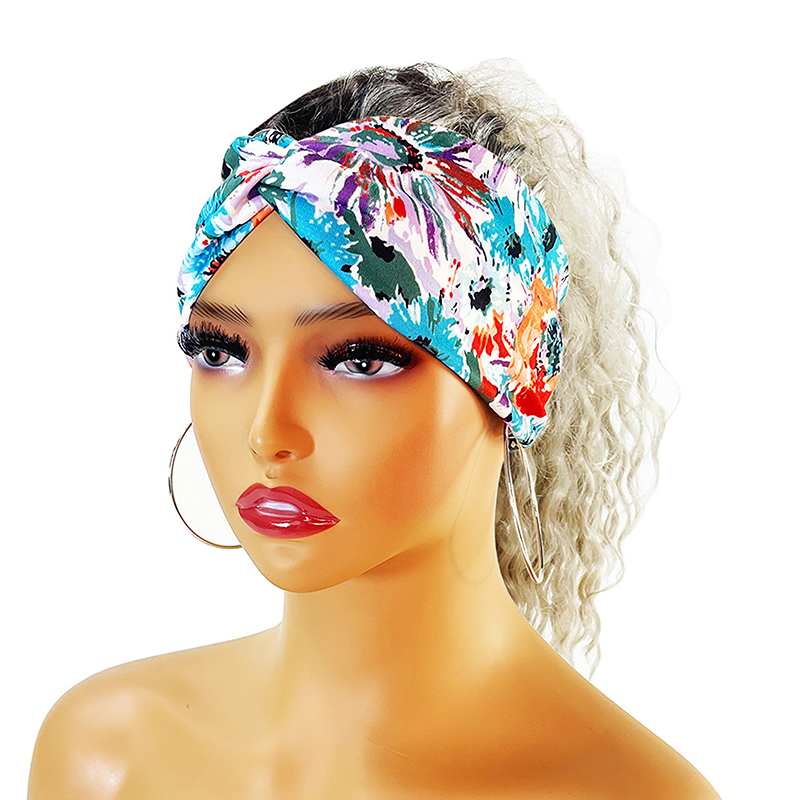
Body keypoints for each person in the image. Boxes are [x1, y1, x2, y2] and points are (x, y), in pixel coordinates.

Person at [28, 61, 721, 798]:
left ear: (512, 374)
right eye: (221, 351)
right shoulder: (108, 756)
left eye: (357, 360)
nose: (267, 431)